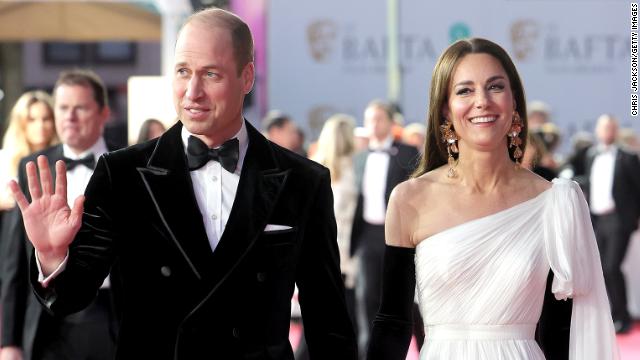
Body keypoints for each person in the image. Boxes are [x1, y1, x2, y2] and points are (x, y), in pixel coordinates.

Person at [7, 8, 356, 360]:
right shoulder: (123, 173)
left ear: (246, 77)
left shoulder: (303, 181)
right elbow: (70, 298)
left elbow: (328, 320)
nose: (193, 92)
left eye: (210, 74)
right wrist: (52, 257)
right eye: (182, 72)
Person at [367, 38, 618, 360]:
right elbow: (393, 321)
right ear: (445, 106)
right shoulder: (410, 198)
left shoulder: (554, 202)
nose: (482, 101)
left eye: (495, 87)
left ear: (514, 101)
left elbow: (561, 331)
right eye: (464, 90)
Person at [0, 71, 119, 360]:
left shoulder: (127, 164)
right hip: (47, 319)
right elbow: (14, 261)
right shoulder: (33, 167)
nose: (70, 117)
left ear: (104, 113)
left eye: (80, 108)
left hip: (113, 314)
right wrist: (8, 342)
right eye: (63, 108)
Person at [350, 99, 419, 359]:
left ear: (391, 123)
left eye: (379, 118)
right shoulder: (359, 158)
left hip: (398, 237)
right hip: (367, 236)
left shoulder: (408, 153)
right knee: (365, 299)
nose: (373, 124)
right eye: (369, 119)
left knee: (397, 299)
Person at [579, 114, 640, 334]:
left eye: (611, 128)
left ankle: (622, 317)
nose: (608, 132)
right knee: (601, 270)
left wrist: (635, 217)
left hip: (619, 219)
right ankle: (610, 316)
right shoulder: (592, 155)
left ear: (617, 131)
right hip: (597, 219)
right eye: (604, 128)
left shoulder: (628, 157)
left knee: (612, 267)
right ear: (597, 131)